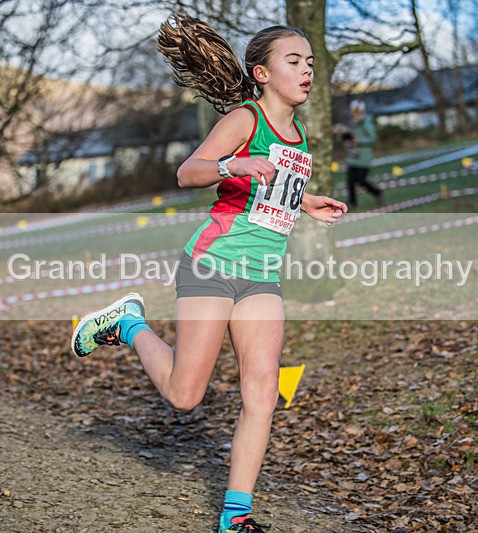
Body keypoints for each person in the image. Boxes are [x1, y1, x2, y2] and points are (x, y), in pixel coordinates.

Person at [71, 13, 347, 533]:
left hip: (262, 274)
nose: (307, 71)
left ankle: (235, 518)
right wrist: (232, 165)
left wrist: (305, 202)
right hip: (213, 265)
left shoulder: (299, 132)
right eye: (294, 62)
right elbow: (188, 172)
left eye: (310, 63)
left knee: (261, 393)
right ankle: (129, 323)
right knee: (184, 395)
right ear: (263, 74)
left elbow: (272, 189)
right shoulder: (245, 119)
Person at [341, 99, 383, 209]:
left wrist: (359, 141)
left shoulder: (366, 122)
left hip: (363, 157)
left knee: (361, 180)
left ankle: (377, 192)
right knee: (350, 181)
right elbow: (351, 136)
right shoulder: (353, 123)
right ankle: (352, 203)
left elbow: (372, 138)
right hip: (353, 156)